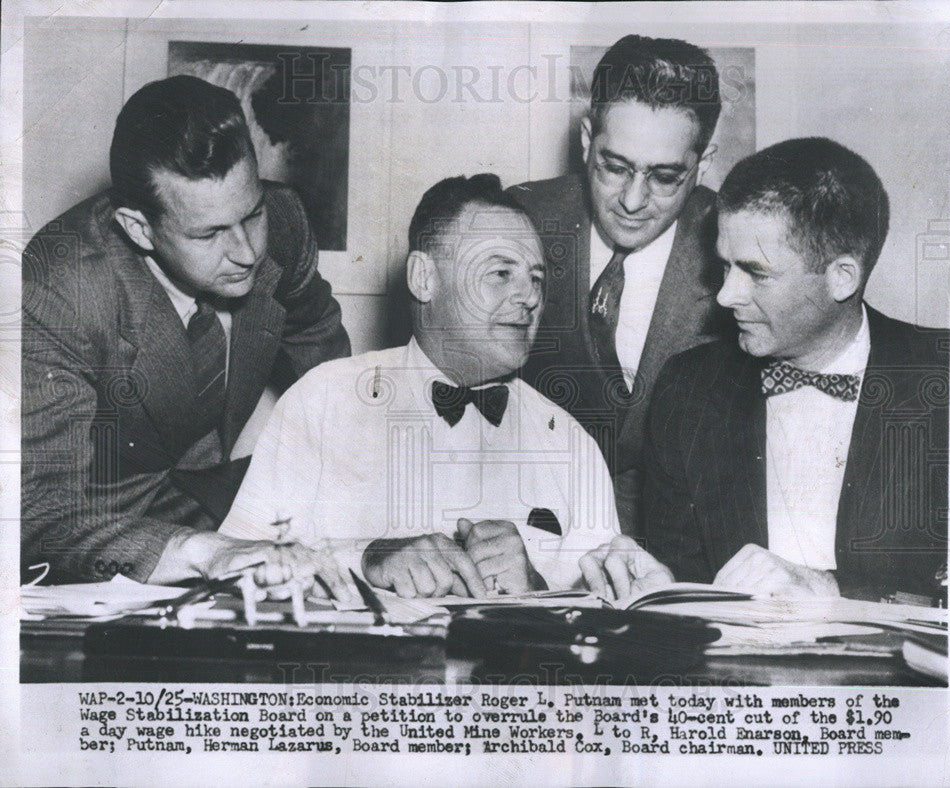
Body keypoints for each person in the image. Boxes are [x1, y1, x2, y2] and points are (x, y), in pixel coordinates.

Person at [22, 75, 352, 594]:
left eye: (251, 213)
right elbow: (40, 512)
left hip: (225, 504)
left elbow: (322, 351)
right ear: (138, 228)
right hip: (100, 544)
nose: (246, 251)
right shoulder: (57, 287)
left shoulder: (284, 222)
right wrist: (201, 551)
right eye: (209, 233)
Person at [581, 138, 949, 602]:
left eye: (756, 272)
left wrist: (830, 591)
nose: (725, 295)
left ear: (842, 277)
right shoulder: (689, 388)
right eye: (725, 267)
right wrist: (669, 593)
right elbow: (686, 577)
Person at [220, 174, 620, 597]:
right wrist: (365, 560)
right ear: (423, 278)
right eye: (501, 272)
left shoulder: (571, 445)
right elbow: (236, 567)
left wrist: (537, 589)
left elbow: (612, 615)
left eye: (536, 278)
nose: (529, 296)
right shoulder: (322, 402)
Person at [508, 35, 734, 534]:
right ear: (587, 140)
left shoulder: (738, 253)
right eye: (615, 167)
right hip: (525, 529)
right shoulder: (521, 220)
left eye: (666, 176)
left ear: (705, 162)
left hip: (681, 547)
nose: (632, 201)